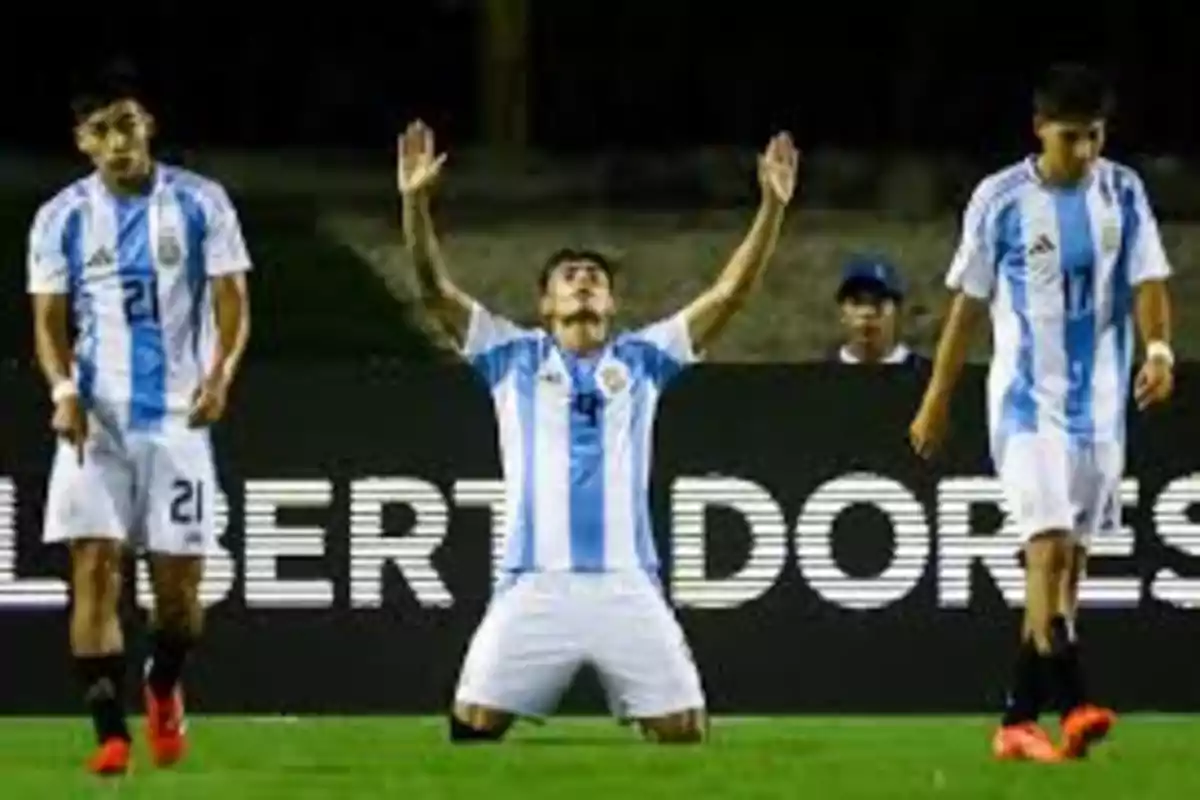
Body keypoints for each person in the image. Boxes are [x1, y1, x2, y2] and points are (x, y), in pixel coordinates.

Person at [397, 119, 798, 743]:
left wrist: (772, 208)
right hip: (534, 579)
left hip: (626, 580)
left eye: (595, 276)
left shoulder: (642, 361)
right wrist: (415, 203)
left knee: (683, 733)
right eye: (570, 275)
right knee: (473, 730)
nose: (584, 280)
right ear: (546, 305)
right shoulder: (511, 358)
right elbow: (432, 289)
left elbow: (731, 292)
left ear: (610, 305)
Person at [909, 63, 1174, 762]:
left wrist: (1160, 351)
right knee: (1048, 548)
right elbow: (967, 307)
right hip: (1027, 403)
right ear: (1039, 130)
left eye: (1093, 136)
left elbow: (1149, 278)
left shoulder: (1123, 191)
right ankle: (1078, 698)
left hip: (1102, 410)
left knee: (1070, 574)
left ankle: (1017, 719)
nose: (1083, 152)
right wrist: (937, 397)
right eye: (1069, 138)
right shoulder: (999, 199)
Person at [26, 60, 252, 775]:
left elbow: (232, 302)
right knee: (93, 568)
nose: (118, 141)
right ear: (83, 143)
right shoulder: (61, 217)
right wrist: (64, 392)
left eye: (127, 124)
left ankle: (161, 684)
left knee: (179, 600)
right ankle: (109, 733)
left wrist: (219, 376)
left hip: (179, 419)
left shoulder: (200, 203)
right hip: (98, 419)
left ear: (147, 125)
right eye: (101, 131)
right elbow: (48, 319)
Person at [831, 255, 924, 366]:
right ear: (842, 312)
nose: (867, 311)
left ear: (899, 311)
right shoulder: (819, 375)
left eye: (878, 301)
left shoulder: (930, 374)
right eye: (857, 301)